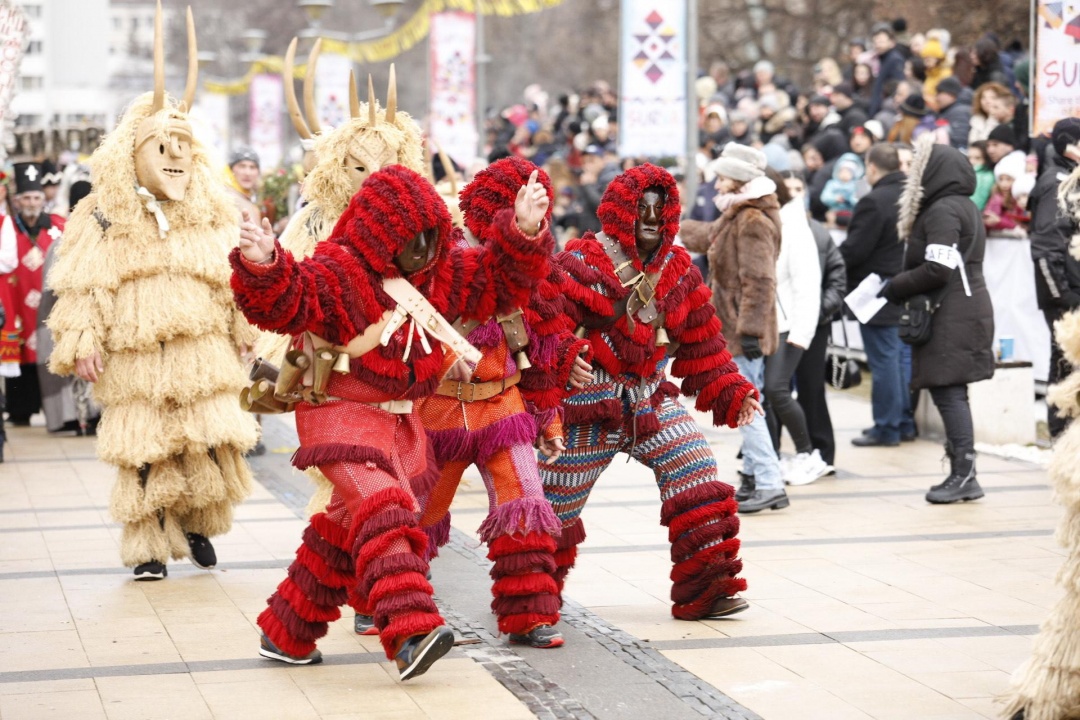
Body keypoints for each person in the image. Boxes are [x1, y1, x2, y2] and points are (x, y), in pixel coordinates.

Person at [232, 164, 554, 677]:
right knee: (387, 507)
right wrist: (264, 262)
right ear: (382, 231)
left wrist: (524, 230)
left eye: (432, 237)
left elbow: (497, 282)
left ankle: (286, 633)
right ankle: (411, 632)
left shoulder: (439, 273)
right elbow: (293, 297)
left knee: (341, 529)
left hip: (400, 425)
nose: (424, 251)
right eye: (413, 239)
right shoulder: (341, 269)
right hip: (339, 417)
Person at [46, 7, 258, 579]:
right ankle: (146, 546)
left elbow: (233, 279)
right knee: (146, 446)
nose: (174, 156)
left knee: (203, 442)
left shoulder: (213, 210)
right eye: (160, 144)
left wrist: (246, 333)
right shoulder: (104, 216)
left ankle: (195, 525)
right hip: (137, 354)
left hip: (202, 352)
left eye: (182, 143)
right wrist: (82, 338)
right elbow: (83, 284)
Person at [542, 163, 763, 623]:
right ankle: (533, 601)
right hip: (588, 409)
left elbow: (706, 346)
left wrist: (733, 390)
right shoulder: (579, 262)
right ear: (620, 212)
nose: (649, 218)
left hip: (649, 402)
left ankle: (709, 590)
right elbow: (544, 325)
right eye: (640, 209)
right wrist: (565, 355)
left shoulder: (679, 271)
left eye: (658, 210)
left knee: (697, 467)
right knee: (555, 509)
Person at [413, 157, 590, 650]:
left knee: (525, 506)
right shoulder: (438, 256)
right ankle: (382, 602)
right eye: (520, 206)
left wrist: (550, 415)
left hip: (503, 406)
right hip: (439, 409)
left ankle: (530, 615)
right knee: (419, 514)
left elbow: (547, 340)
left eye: (539, 209)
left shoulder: (537, 266)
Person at [882, 136, 994, 503]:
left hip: (952, 313)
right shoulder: (961, 205)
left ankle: (964, 474)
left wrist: (895, 285)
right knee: (951, 391)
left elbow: (938, 268)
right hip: (960, 308)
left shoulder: (944, 210)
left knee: (949, 392)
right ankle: (963, 471)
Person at [681, 145, 789, 512]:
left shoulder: (752, 220)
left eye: (723, 175)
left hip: (745, 334)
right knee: (746, 405)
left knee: (747, 408)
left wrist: (749, 332)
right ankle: (761, 478)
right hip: (736, 329)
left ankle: (771, 483)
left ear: (739, 179)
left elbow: (760, 281)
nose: (717, 181)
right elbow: (708, 234)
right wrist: (670, 225)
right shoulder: (737, 213)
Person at [840, 143, 916, 447]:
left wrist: (830, 260)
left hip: (876, 291)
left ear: (872, 167)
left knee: (885, 361)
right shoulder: (911, 197)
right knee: (899, 359)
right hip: (906, 283)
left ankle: (887, 427)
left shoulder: (874, 201)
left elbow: (855, 249)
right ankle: (904, 422)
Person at [762, 169, 826, 484]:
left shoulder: (795, 227)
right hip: (766, 324)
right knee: (764, 392)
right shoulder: (768, 222)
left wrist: (802, 333)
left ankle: (807, 453)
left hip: (788, 324)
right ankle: (766, 458)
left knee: (776, 389)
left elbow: (807, 285)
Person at [782, 172, 847, 470]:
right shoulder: (774, 229)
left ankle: (822, 450)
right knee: (773, 388)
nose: (794, 194)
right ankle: (767, 450)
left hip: (814, 324)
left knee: (811, 388)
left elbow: (837, 275)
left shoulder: (818, 232)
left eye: (799, 188)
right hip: (780, 323)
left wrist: (820, 310)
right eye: (788, 189)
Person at [0, 162, 66, 426]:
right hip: (16, 301)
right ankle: (20, 409)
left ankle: (56, 414)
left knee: (49, 354)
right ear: (17, 200)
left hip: (48, 304)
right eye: (26, 197)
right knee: (19, 352)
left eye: (36, 197)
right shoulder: (8, 228)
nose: (31, 202)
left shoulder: (58, 227)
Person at [1028, 118, 1080, 440]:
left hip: (1071, 287)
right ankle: (1062, 437)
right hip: (1067, 292)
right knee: (1066, 362)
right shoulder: (1056, 183)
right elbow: (1046, 246)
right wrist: (1063, 298)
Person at [983, 151, 1029, 235]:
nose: (1004, 184)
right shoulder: (996, 198)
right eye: (1001, 179)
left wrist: (999, 221)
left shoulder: (1021, 201)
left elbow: (1021, 226)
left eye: (1008, 179)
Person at [869, 22, 907, 116]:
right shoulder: (881, 59)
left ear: (892, 42)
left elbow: (898, 83)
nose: (877, 45)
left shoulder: (895, 59)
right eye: (875, 42)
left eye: (881, 41)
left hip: (887, 108)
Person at [820, 152, 865, 221]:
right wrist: (835, 198)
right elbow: (824, 197)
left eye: (848, 172)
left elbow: (860, 201)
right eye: (842, 171)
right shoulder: (832, 184)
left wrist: (850, 199)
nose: (844, 174)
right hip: (835, 212)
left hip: (850, 213)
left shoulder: (857, 185)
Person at [226, 146, 262, 222]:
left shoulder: (249, 197)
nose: (247, 173)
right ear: (231, 170)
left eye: (252, 167)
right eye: (242, 166)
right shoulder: (226, 199)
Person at [934, 77, 971, 150]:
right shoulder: (949, 110)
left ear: (950, 94)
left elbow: (960, 143)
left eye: (939, 93)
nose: (936, 98)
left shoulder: (960, 112)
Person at [967, 140, 995, 210]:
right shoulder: (969, 172)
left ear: (986, 159)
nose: (972, 161)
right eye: (969, 157)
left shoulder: (986, 178)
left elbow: (976, 204)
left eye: (977, 158)